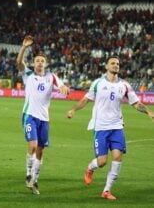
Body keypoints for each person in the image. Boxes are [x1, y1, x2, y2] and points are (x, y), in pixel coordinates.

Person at [67, 55, 154, 200]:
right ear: (106, 67)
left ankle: (106, 191)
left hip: (117, 127)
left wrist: (149, 112)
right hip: (101, 127)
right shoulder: (98, 83)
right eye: (112, 63)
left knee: (118, 157)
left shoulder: (125, 85)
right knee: (102, 162)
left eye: (117, 63)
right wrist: (73, 110)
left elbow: (136, 103)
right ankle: (90, 168)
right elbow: (85, 99)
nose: (116, 65)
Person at [16, 35, 69, 195]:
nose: (39, 63)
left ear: (45, 64)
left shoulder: (51, 77)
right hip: (29, 115)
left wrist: (63, 88)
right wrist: (24, 47)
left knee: (40, 151)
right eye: (37, 60)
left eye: (42, 61)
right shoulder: (28, 75)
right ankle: (28, 173)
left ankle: (35, 180)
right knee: (32, 145)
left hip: (44, 119)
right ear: (34, 63)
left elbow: (61, 85)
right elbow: (19, 63)